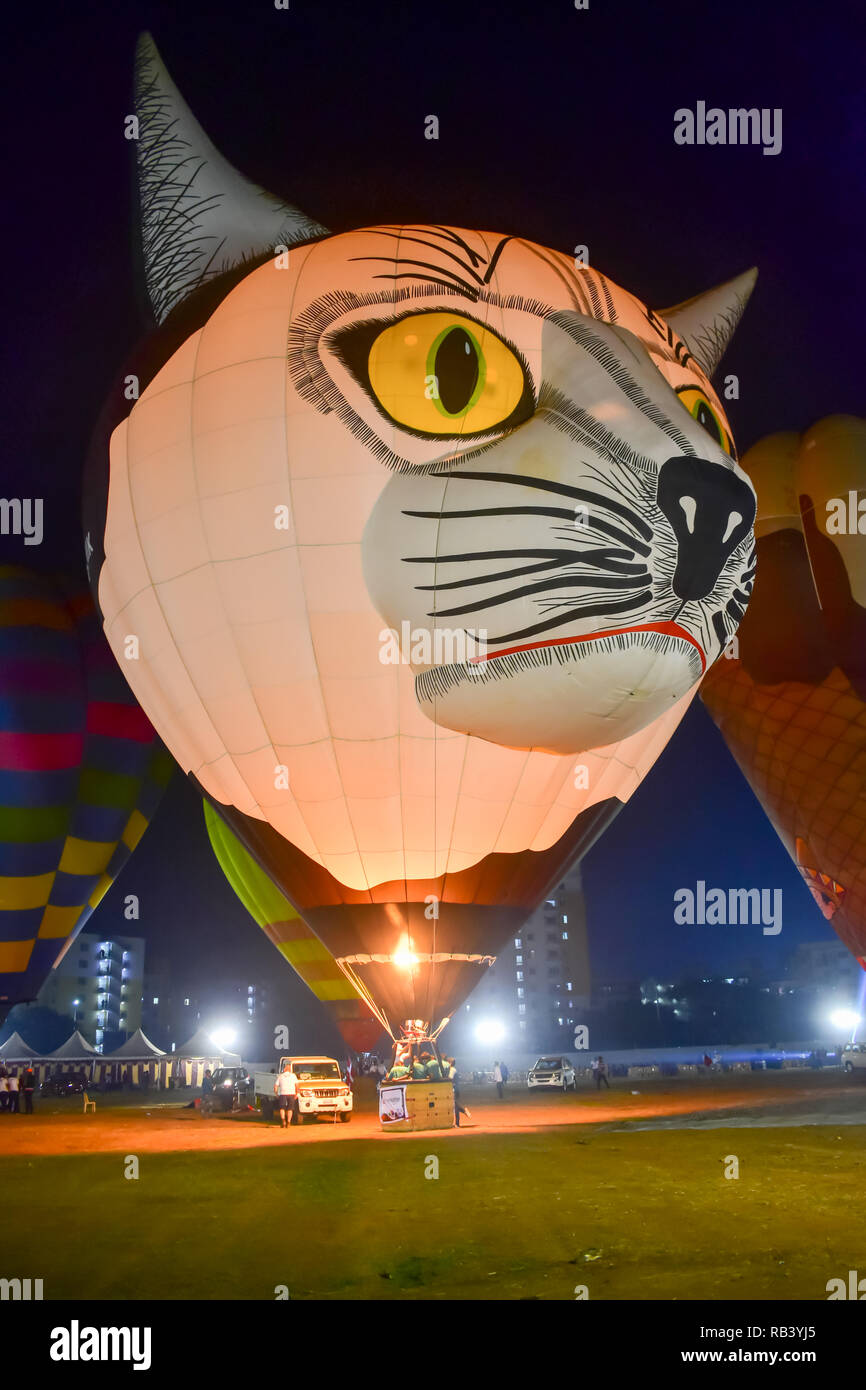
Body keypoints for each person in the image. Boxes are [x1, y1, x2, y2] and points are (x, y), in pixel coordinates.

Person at [447, 1057, 471, 1125]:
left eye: (447, 1062)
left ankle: (457, 1123)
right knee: (455, 1105)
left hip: (454, 1089)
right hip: (454, 1089)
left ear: (450, 1063)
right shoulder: (452, 1069)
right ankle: (464, 1111)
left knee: (455, 1106)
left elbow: (450, 1078)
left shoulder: (452, 1069)